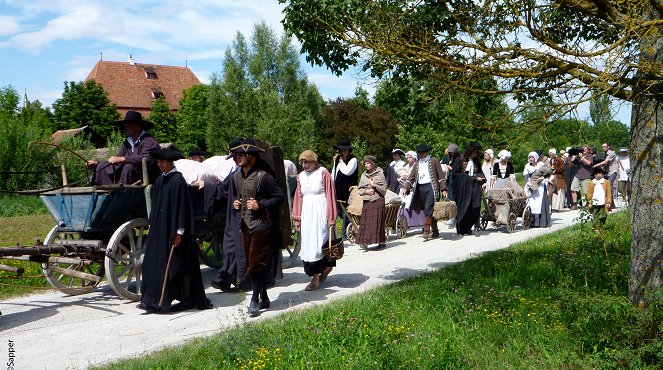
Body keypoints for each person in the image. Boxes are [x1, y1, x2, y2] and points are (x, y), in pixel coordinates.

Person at [138, 148, 212, 313]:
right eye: (158, 162)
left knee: (178, 268)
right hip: (160, 232)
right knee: (152, 264)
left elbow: (182, 209)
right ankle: (151, 299)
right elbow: (156, 208)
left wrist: (179, 233)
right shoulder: (159, 181)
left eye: (163, 162)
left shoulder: (178, 181)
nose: (160, 165)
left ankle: (183, 299)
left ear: (171, 162)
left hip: (175, 233)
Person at [229, 140, 285, 317]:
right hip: (245, 224)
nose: (237, 158)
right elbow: (237, 197)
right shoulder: (236, 176)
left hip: (262, 224)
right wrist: (236, 204)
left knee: (255, 263)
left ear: (251, 157)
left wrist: (260, 205)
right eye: (236, 155)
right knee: (251, 261)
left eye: (240, 155)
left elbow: (279, 197)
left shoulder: (264, 176)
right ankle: (265, 297)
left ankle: (254, 300)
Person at [195, 139, 250, 293]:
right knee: (230, 246)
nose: (235, 158)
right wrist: (208, 185)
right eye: (233, 156)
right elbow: (224, 189)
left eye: (238, 155)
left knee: (240, 248)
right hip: (234, 215)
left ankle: (240, 281)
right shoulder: (235, 172)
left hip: (249, 216)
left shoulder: (257, 173)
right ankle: (226, 279)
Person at [291, 150, 337, 291]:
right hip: (307, 213)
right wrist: (297, 218)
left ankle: (315, 279)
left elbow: (330, 195)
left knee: (319, 242)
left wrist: (331, 217)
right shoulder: (300, 177)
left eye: (307, 162)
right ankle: (321, 270)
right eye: (302, 162)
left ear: (314, 161)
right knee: (309, 244)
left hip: (321, 211)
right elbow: (298, 198)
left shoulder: (323, 173)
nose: (304, 165)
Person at [87, 110, 160, 185]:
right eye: (124, 127)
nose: (125, 129)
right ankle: (106, 191)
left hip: (147, 177)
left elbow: (146, 160)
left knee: (128, 167)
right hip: (128, 175)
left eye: (128, 126)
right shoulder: (126, 143)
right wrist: (97, 163)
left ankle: (122, 193)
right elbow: (117, 161)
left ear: (138, 126)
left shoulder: (149, 141)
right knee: (101, 166)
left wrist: (123, 159)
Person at [404, 144, 447, 240]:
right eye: (419, 153)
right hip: (420, 189)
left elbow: (441, 176)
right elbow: (411, 178)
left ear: (426, 152)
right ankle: (435, 232)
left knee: (428, 209)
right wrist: (406, 187)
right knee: (428, 211)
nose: (420, 154)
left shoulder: (434, 161)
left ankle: (426, 231)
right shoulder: (417, 164)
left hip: (431, 188)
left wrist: (443, 189)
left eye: (422, 153)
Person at [452, 142, 486, 236]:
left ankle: (476, 226)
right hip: (463, 188)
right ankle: (464, 229)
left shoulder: (476, 161)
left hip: (475, 186)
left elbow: (479, 172)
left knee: (475, 206)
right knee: (464, 207)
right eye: (475, 152)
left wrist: (481, 178)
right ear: (470, 151)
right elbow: (455, 175)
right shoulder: (459, 160)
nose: (476, 155)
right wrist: (472, 178)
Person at [356, 155, 388, 249]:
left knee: (377, 221)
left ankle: (381, 241)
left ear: (373, 164)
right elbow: (359, 189)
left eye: (368, 163)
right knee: (366, 222)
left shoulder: (379, 173)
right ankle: (364, 242)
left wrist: (374, 185)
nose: (366, 165)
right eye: (365, 163)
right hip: (367, 201)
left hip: (378, 200)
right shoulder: (364, 175)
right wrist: (366, 191)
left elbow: (384, 188)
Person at [332, 139, 359, 240]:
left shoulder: (353, 159)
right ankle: (346, 230)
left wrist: (342, 162)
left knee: (346, 211)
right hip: (338, 189)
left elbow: (347, 171)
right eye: (342, 150)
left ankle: (344, 234)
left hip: (348, 190)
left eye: (345, 150)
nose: (343, 152)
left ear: (348, 151)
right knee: (339, 210)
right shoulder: (337, 159)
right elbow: (334, 172)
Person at [593, 142, 618, 207]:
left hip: (612, 172)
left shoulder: (611, 153)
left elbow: (605, 162)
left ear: (608, 147)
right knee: (606, 186)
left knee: (609, 186)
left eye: (604, 147)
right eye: (602, 147)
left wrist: (595, 165)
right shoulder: (605, 154)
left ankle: (611, 203)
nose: (603, 148)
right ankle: (610, 203)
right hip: (607, 172)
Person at [587, 166, 612, 230]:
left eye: (599, 173)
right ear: (594, 175)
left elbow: (609, 192)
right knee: (595, 215)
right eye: (596, 174)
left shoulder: (606, 182)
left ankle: (601, 226)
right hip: (595, 203)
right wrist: (589, 202)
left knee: (604, 215)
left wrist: (609, 202)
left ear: (602, 174)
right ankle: (595, 228)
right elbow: (589, 193)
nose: (598, 175)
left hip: (603, 202)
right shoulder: (591, 183)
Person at [570, 145, 593, 209]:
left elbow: (588, 163)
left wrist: (582, 157)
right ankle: (574, 204)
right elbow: (572, 163)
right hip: (577, 175)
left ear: (588, 150)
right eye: (583, 149)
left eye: (586, 149)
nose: (584, 150)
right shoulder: (578, 156)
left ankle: (588, 203)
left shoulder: (590, 156)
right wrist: (573, 157)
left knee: (586, 191)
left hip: (586, 176)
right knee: (573, 189)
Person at [445, 143, 459, 228]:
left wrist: (450, 168)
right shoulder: (450, 158)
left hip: (456, 181)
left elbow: (458, 170)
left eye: (451, 152)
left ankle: (454, 219)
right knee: (450, 198)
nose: (450, 153)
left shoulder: (458, 159)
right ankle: (451, 218)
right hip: (450, 180)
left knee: (455, 199)